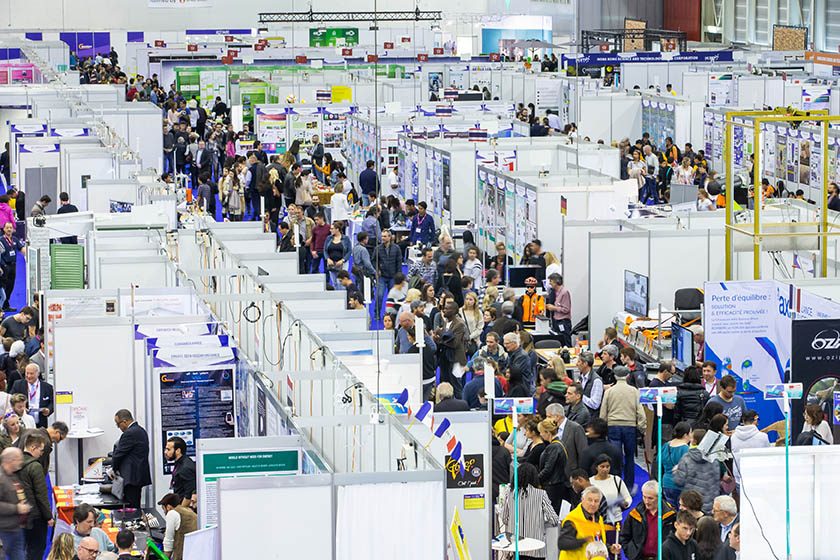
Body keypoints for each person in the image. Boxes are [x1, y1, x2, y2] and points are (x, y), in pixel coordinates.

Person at [499, 463, 559, 560]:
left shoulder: (509, 494)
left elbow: (504, 518)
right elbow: (554, 519)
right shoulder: (541, 494)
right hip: (537, 547)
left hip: (517, 547)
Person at [617, 480, 676, 560]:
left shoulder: (671, 515)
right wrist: (631, 553)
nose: (646, 501)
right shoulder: (635, 514)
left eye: (650, 498)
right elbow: (624, 536)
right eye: (644, 497)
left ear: (659, 497)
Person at [672, 429, 721, 514]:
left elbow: (679, 481)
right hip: (710, 504)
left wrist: (676, 471)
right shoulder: (714, 459)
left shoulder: (686, 458)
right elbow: (717, 481)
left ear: (694, 441)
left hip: (691, 504)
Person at [19, 432, 51, 560]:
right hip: (35, 516)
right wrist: (48, 516)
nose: (41, 454)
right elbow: (41, 495)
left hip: (19, 514)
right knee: (37, 549)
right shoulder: (35, 466)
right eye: (41, 450)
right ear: (33, 448)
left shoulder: (16, 463)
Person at [112, 409, 152, 509]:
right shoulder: (140, 430)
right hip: (138, 475)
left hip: (132, 477)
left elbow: (118, 454)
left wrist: (113, 469)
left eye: (118, 424)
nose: (118, 427)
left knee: (131, 507)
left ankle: (133, 522)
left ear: (124, 421)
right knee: (135, 504)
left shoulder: (130, 433)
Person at [557, 485, 607, 560]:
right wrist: (583, 540)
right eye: (590, 500)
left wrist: (609, 548)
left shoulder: (598, 518)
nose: (593, 504)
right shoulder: (572, 519)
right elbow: (562, 543)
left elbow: (598, 540)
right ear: (582, 500)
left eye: (596, 501)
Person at [0, 447, 28, 560]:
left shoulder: (12, 476)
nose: (21, 462)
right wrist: (16, 508)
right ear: (10, 460)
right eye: (19, 459)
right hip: (4, 530)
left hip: (16, 528)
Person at [730, 409, 769, 486]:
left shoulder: (733, 437)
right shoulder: (763, 437)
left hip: (739, 478)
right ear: (755, 420)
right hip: (759, 477)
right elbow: (768, 457)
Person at [588, 454, 631, 524]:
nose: (605, 469)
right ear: (596, 467)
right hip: (596, 520)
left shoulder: (616, 480)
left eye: (607, 466)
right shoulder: (590, 482)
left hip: (615, 520)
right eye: (602, 467)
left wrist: (625, 503)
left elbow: (628, 498)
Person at [10, 364, 52, 429]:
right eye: (27, 373)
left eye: (31, 374)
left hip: (41, 423)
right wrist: (20, 409)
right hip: (23, 423)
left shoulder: (47, 387)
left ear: (38, 374)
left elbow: (52, 402)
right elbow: (11, 400)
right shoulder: (18, 384)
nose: (29, 376)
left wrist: (48, 410)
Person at [159, 492, 198, 560]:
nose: (164, 512)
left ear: (168, 507)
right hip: (194, 553)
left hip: (182, 555)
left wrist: (164, 558)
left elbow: (168, 541)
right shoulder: (188, 510)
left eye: (163, 509)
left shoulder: (172, 513)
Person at [661, 421, 691, 507]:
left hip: (666, 482)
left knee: (670, 510)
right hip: (680, 485)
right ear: (685, 435)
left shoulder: (666, 445)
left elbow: (659, 462)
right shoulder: (685, 449)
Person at [375, 230, 403, 320]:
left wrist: (399, 276)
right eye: (382, 236)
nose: (383, 238)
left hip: (393, 277)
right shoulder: (378, 248)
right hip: (382, 276)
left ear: (390, 237)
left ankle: (393, 314)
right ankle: (377, 314)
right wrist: (377, 270)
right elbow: (373, 261)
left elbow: (399, 262)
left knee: (393, 297)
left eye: (385, 236)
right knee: (379, 295)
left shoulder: (396, 248)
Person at [0, 224, 25, 311]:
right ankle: (2, 305)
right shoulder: (1, 240)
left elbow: (22, 248)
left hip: (13, 265)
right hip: (4, 266)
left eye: (11, 228)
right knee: (3, 286)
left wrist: (28, 253)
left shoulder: (15, 239)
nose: (9, 229)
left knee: (11, 285)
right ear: (4, 229)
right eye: (7, 228)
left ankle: (6, 305)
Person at [165, 436, 196, 507]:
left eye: (168, 449)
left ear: (178, 451)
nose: (165, 452)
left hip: (184, 507)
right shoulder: (180, 462)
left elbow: (188, 495)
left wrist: (180, 512)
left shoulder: (185, 468)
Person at [545, 273, 572, 345]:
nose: (549, 283)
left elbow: (566, 309)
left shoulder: (564, 292)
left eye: (551, 281)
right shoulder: (554, 292)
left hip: (563, 322)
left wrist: (553, 308)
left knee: (566, 342)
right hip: (556, 322)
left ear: (556, 282)